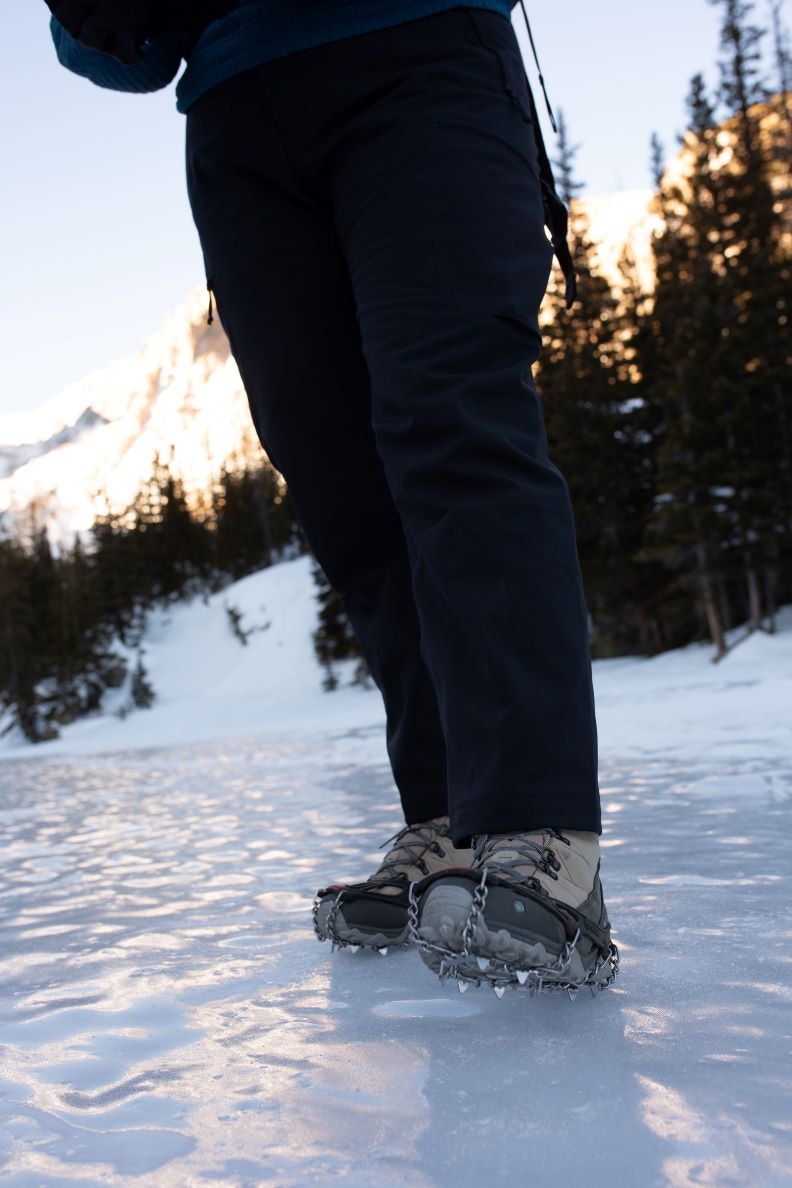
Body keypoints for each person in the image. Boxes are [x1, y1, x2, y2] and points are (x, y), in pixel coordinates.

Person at [46, 0, 618, 996]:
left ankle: (543, 836)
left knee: (453, 424)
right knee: (343, 483)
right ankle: (446, 822)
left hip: (416, 45)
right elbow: (116, 60)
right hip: (236, 109)